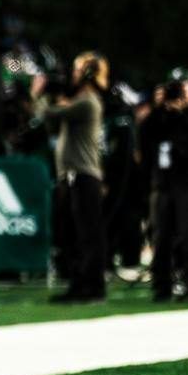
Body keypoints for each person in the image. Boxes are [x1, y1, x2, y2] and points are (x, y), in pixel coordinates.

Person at [33, 53, 109, 304]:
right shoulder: (80, 101)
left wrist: (37, 95)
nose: (72, 75)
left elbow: (49, 116)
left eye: (77, 70)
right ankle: (78, 284)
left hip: (83, 175)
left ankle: (92, 286)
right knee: (73, 233)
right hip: (74, 175)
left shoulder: (87, 102)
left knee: (86, 234)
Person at [140, 75, 188, 302]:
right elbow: (145, 135)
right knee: (161, 238)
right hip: (162, 185)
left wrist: (180, 112)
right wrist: (159, 108)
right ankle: (161, 286)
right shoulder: (160, 116)